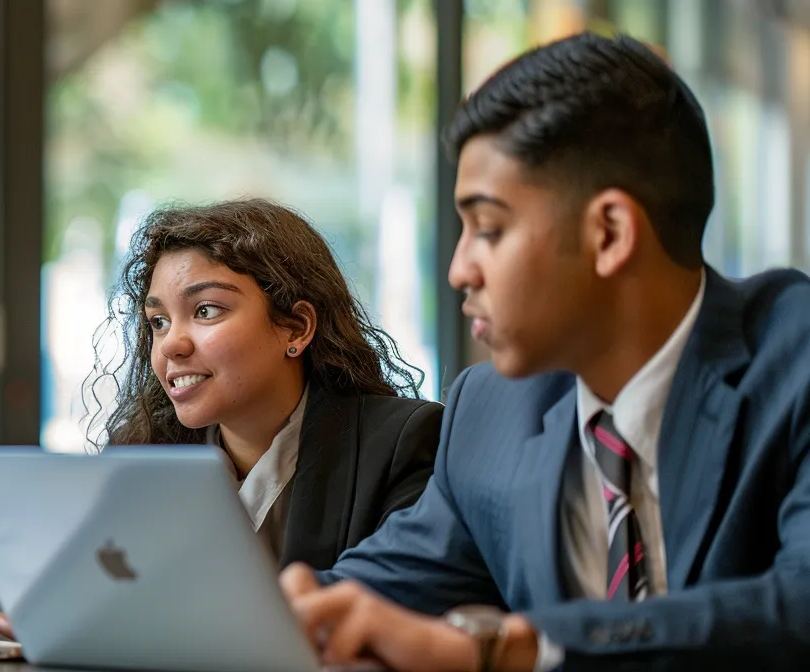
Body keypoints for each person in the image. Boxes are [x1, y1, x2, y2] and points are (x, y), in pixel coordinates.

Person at [279, 32, 810, 671]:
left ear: (609, 233)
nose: (458, 270)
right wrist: (280, 612)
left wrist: (508, 649)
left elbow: (796, 609)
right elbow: (374, 596)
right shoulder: (492, 411)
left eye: (489, 228)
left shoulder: (794, 361)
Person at [0, 199, 441, 639]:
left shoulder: (405, 443)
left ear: (297, 327)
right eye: (158, 321)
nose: (171, 345)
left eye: (205, 310)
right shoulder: (142, 456)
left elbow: (385, 604)